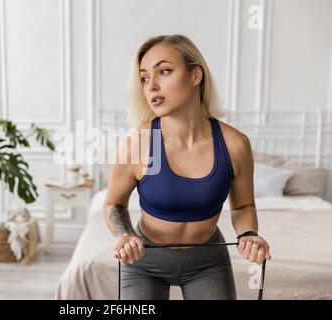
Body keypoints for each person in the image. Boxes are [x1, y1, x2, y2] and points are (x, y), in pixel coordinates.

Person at [103, 34, 271, 300]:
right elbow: (114, 204)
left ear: (195, 76)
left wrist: (248, 234)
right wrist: (124, 235)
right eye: (145, 78)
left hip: (208, 263)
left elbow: (242, 206)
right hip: (144, 261)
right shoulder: (137, 144)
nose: (151, 86)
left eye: (165, 72)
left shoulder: (235, 144)